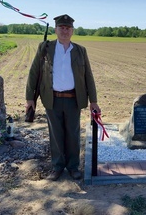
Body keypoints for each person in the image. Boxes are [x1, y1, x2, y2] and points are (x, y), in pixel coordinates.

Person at [25, 14, 100, 181]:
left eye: (68, 28)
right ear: (56, 30)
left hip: (74, 99)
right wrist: (30, 98)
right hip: (53, 99)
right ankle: (57, 167)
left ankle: (73, 167)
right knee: (56, 134)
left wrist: (93, 101)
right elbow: (34, 73)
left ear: (72, 31)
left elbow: (88, 76)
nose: (65, 31)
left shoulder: (80, 51)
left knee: (73, 135)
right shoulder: (45, 48)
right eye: (62, 28)